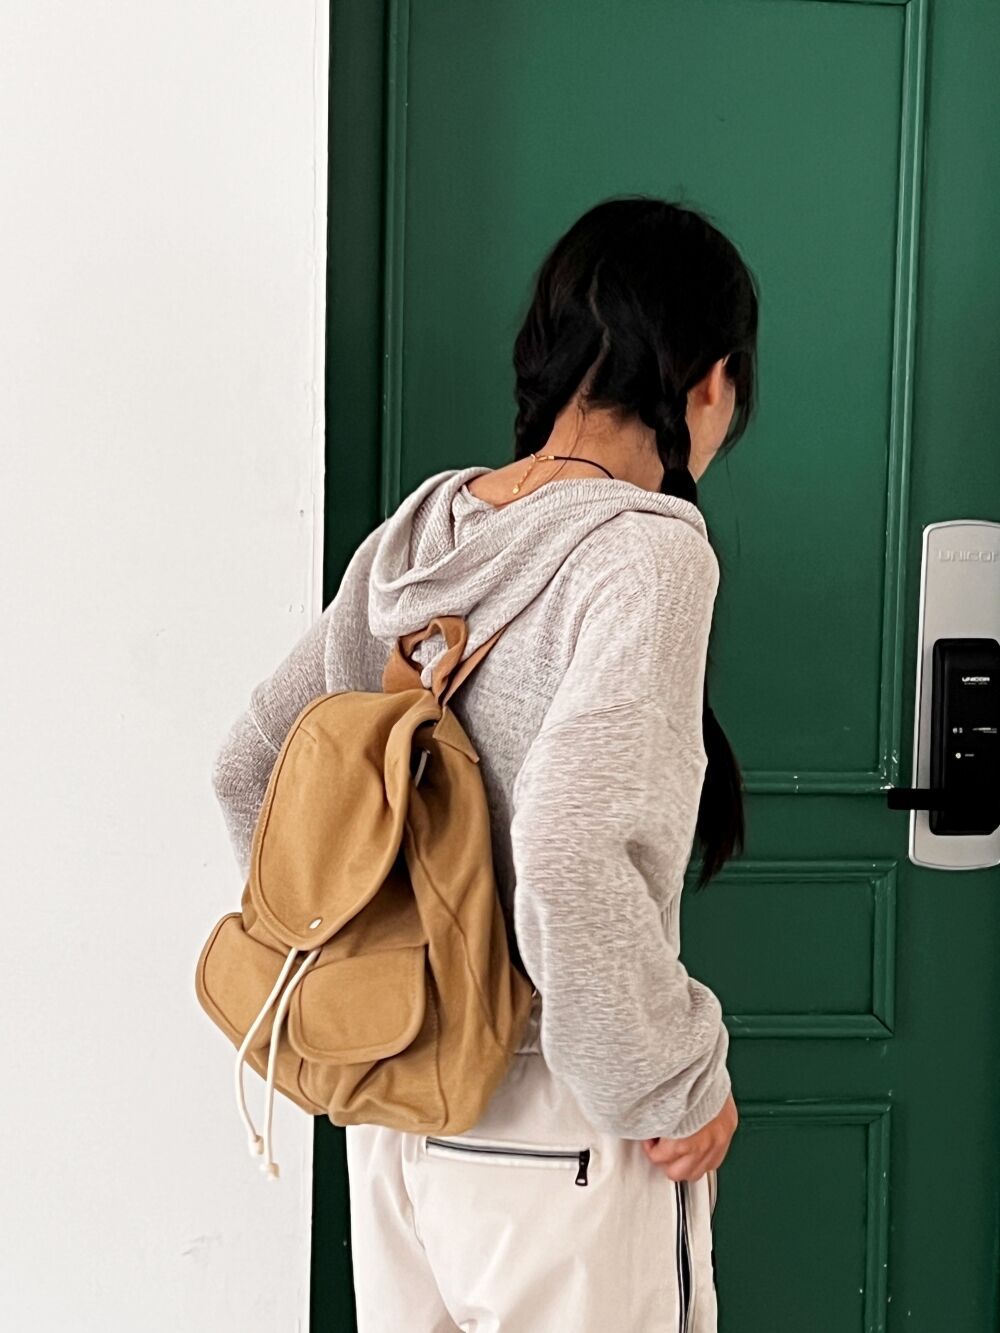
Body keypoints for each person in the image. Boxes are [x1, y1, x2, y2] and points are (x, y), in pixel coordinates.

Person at [211, 194, 759, 1331]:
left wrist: (370, 965)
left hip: (394, 1108)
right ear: (711, 380)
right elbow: (565, 842)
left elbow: (251, 765)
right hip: (553, 1126)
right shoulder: (646, 552)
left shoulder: (422, 536)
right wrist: (671, 1081)